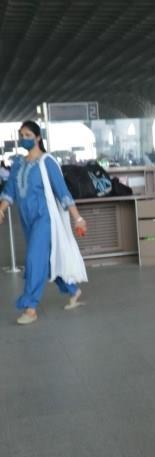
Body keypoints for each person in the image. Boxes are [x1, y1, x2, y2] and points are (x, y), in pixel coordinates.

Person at [0, 121, 87, 325]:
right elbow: (10, 191)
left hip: (44, 219)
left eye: (28, 135)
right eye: (21, 135)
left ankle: (30, 308)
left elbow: (63, 192)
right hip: (27, 219)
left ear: (38, 137)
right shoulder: (18, 164)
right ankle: (72, 289)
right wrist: (2, 208)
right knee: (45, 260)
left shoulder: (47, 162)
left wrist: (78, 218)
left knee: (33, 259)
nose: (24, 139)